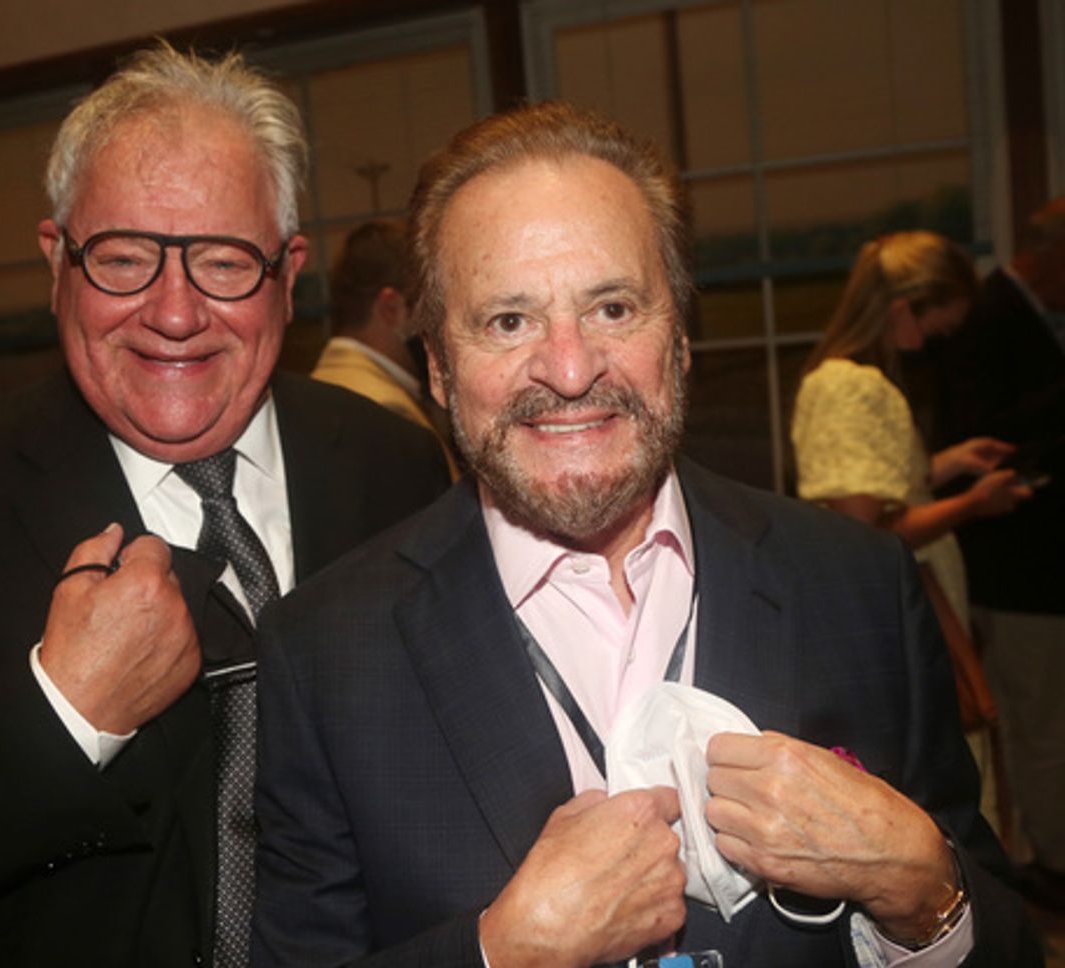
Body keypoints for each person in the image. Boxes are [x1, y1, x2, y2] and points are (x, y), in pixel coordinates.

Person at [251, 102, 1041, 967]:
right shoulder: (329, 652)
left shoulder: (859, 586)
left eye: (614, 307)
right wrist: (500, 954)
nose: (569, 369)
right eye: (509, 321)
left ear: (681, 339)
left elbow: (1004, 942)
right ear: (439, 367)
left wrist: (920, 887)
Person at [0, 42, 450, 968]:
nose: (174, 313)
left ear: (288, 276)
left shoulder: (393, 464)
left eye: (223, 262)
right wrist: (64, 712)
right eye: (123, 259)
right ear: (57, 262)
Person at [790, 232, 1030, 829]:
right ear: (903, 308)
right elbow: (862, 526)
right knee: (948, 767)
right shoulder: (852, 386)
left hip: (912, 596)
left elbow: (878, 485)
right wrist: (974, 504)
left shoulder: (847, 379)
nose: (939, 338)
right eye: (937, 324)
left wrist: (948, 464)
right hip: (904, 600)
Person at [933, 196, 1065, 912]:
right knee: (1035, 720)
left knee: (1038, 718)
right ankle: (1051, 865)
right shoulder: (990, 318)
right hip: (1017, 568)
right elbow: (976, 423)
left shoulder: (1015, 313)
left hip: (1030, 562)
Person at [312, 220, 457, 474]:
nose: (437, 325)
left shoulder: (323, 383)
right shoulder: (386, 410)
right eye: (427, 308)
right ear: (391, 308)